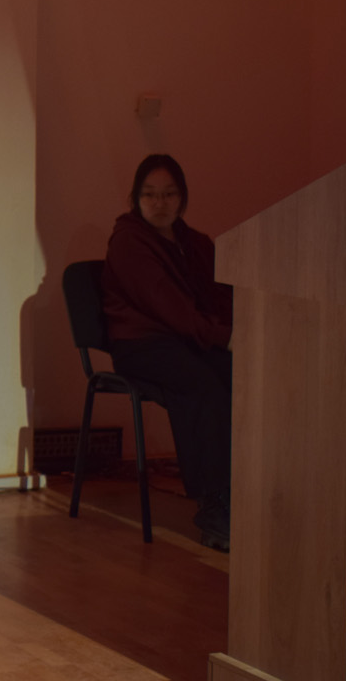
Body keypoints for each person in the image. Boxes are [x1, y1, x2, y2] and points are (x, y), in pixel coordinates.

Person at [101, 153, 233, 550]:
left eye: (169, 194)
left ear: (183, 198)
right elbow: (168, 306)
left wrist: (243, 332)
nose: (160, 203)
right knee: (203, 387)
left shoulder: (193, 243)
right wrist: (223, 336)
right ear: (136, 199)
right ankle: (214, 504)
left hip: (181, 341)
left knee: (241, 374)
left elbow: (219, 295)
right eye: (150, 194)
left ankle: (245, 489)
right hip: (140, 345)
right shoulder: (128, 241)